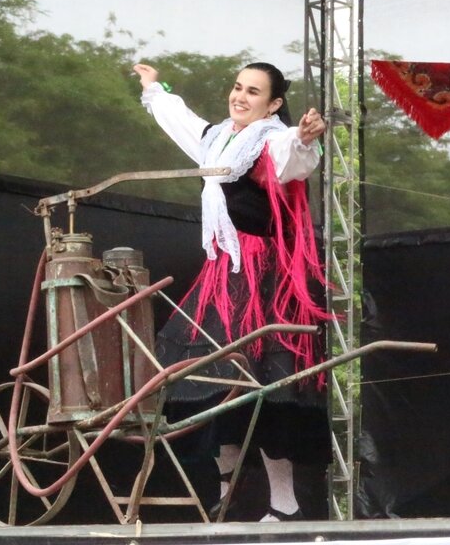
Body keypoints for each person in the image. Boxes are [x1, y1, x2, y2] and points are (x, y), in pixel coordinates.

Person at [133, 61, 330, 522]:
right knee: (213, 380)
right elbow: (180, 119)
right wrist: (154, 88)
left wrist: (304, 138)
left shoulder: (272, 139)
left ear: (274, 104)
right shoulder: (216, 138)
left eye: (253, 92)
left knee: (265, 385)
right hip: (221, 271)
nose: (240, 97)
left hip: (260, 277)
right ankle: (229, 488)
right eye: (238, 87)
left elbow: (292, 157)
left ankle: (285, 504)